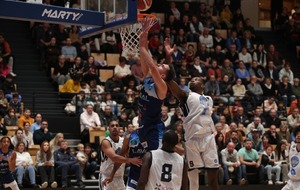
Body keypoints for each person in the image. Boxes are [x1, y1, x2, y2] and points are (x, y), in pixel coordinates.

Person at [166, 76, 219, 190]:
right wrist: (168, 79)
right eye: (192, 80)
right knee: (193, 181)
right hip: (192, 139)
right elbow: (178, 92)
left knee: (213, 179)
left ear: (203, 85)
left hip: (208, 137)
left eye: (196, 79)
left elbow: (207, 117)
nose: (193, 81)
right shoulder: (186, 96)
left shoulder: (209, 99)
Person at [137, 21, 175, 151]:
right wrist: (145, 32)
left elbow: (153, 67)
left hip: (155, 128)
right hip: (143, 125)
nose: (159, 64)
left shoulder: (162, 87)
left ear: (163, 76)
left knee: (155, 161)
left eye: (162, 66)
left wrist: (142, 48)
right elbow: (144, 51)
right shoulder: (148, 77)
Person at [99, 120, 142, 190]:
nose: (115, 127)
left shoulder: (124, 141)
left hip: (119, 176)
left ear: (120, 128)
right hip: (106, 175)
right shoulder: (106, 142)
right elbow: (114, 157)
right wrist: (130, 160)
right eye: (112, 126)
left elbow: (127, 155)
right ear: (108, 128)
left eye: (116, 125)